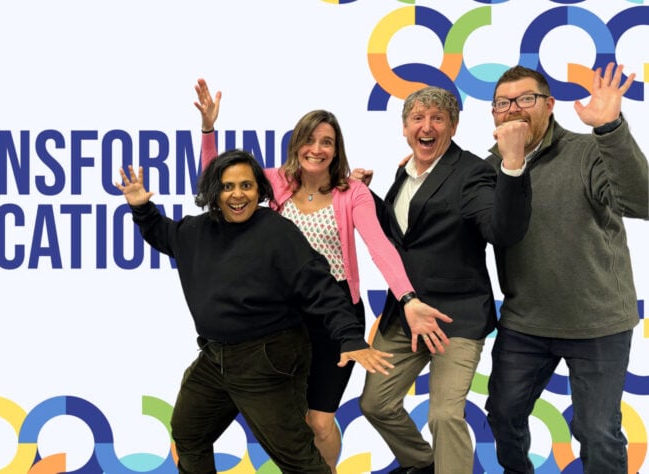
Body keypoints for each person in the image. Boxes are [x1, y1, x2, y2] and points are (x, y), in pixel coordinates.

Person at [194, 79, 451, 473]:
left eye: (327, 142)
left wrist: (408, 298)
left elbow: (380, 248)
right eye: (309, 140)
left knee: (319, 420)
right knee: (293, 421)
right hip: (282, 319)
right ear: (297, 145)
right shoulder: (276, 181)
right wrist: (209, 130)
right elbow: (215, 184)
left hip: (335, 316)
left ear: (336, 149)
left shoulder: (353, 193)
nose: (317, 149)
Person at [115, 150, 394, 474]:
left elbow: (321, 286)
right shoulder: (195, 230)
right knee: (189, 433)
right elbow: (162, 233)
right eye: (228, 186)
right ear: (214, 191)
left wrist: (349, 336)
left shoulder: (277, 232)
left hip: (267, 358)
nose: (238, 194)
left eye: (246, 185)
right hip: (214, 357)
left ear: (259, 189)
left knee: (298, 460)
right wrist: (142, 208)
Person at [355, 86, 532, 474]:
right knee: (375, 404)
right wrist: (366, 198)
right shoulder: (405, 172)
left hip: (455, 318)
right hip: (405, 314)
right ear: (405, 128)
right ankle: (424, 464)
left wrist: (513, 165)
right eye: (418, 118)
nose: (427, 126)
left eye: (438, 118)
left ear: (453, 126)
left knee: (445, 416)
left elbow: (500, 229)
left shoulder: (472, 173)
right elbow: (406, 234)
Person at [484, 62, 648, 474]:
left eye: (526, 99)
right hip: (525, 323)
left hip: (597, 323)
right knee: (503, 414)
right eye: (503, 102)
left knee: (597, 432)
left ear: (549, 105)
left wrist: (610, 128)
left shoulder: (586, 151)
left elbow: (641, 202)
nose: (513, 109)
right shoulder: (489, 167)